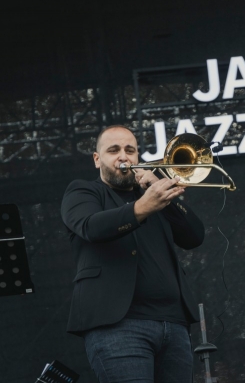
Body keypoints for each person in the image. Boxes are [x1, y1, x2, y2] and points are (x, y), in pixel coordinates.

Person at [61, 125, 206, 382]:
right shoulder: (83, 191)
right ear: (97, 159)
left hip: (173, 323)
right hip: (117, 326)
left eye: (130, 150)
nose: (123, 157)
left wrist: (164, 196)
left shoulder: (155, 196)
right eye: (113, 150)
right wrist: (143, 206)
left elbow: (194, 237)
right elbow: (91, 227)